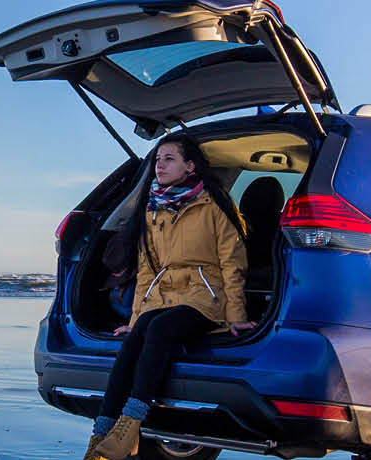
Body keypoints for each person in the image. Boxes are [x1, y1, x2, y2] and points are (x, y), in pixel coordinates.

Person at [85, 138, 257, 460]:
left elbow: (233, 263)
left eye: (169, 159)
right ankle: (100, 434)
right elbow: (147, 272)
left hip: (206, 297)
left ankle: (131, 423)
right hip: (165, 297)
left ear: (190, 166)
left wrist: (235, 315)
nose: (159, 166)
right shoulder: (152, 208)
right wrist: (134, 319)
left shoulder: (214, 205)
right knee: (140, 332)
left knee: (160, 328)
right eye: (158, 159)